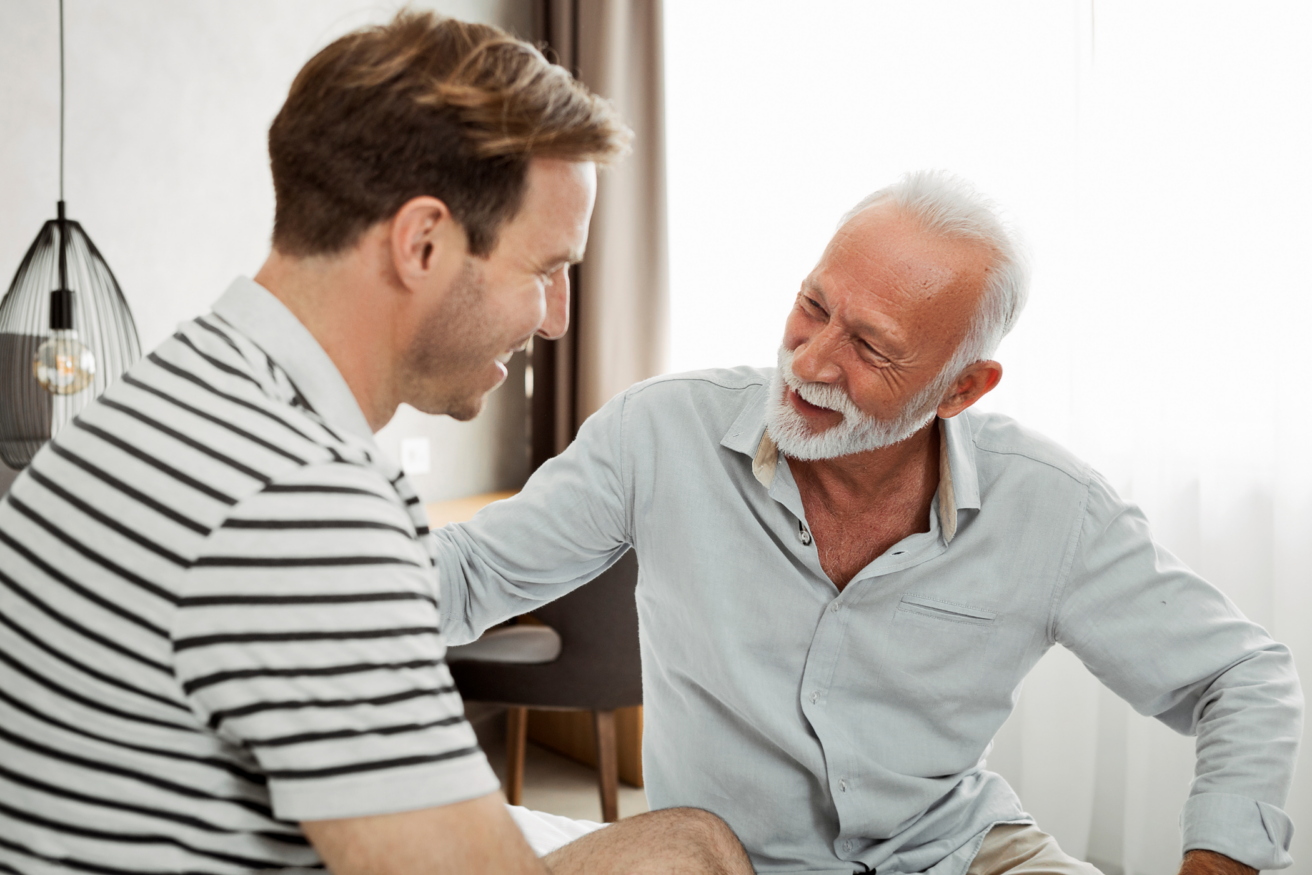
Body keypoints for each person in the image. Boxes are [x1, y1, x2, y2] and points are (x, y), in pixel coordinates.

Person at [0, 12, 755, 875]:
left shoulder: (159, 402)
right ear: (422, 243)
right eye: (546, 270)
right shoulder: (304, 507)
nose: (558, 321)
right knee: (693, 844)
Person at [433, 170, 1304, 875]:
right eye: (814, 307)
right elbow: (467, 574)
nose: (809, 363)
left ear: (961, 389)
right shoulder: (658, 431)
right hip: (723, 854)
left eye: (871, 348)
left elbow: (1241, 675)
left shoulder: (1051, 505)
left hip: (961, 852)